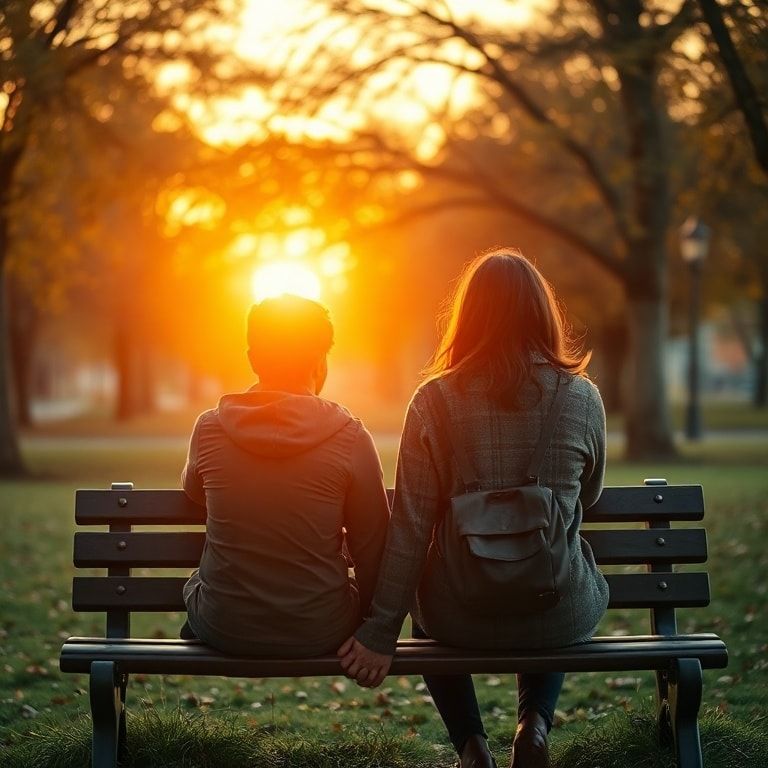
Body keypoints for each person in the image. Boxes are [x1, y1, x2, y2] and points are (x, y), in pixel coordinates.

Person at [338, 249, 609, 768]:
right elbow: (589, 495)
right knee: (547, 575)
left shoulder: (433, 401)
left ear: (468, 317)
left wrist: (379, 633)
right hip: (557, 614)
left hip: (456, 618)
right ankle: (534, 725)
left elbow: (412, 527)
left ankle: (471, 744)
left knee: (427, 609)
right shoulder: (581, 398)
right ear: (541, 313)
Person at [181, 294, 390, 658]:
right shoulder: (350, 436)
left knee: (196, 585)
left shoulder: (210, 428)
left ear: (252, 359)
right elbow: (372, 547)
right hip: (321, 628)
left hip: (223, 626)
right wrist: (370, 626)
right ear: (320, 359)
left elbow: (193, 490)